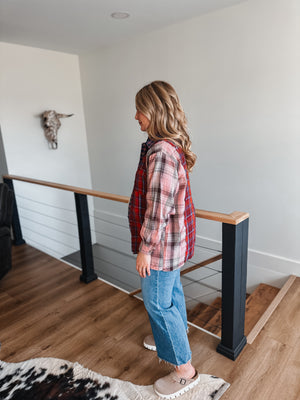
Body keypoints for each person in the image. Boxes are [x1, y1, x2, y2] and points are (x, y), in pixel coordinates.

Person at [128, 81, 199, 399]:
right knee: (172, 294)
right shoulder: (168, 147)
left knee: (157, 302)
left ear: (153, 112)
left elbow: (157, 210)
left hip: (159, 247)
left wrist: (145, 249)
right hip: (173, 244)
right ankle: (172, 335)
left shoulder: (161, 153)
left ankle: (184, 371)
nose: (136, 116)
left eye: (139, 109)